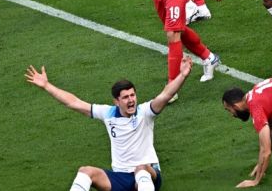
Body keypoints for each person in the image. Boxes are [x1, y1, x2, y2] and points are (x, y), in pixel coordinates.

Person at [25, 56, 195, 191]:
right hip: (121, 178)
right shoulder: (107, 114)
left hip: (148, 176)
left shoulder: (145, 112)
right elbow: (74, 102)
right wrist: (47, 86)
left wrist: (183, 75)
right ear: (116, 101)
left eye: (133, 95)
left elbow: (165, 95)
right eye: (126, 97)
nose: (131, 100)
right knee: (85, 171)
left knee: (141, 168)